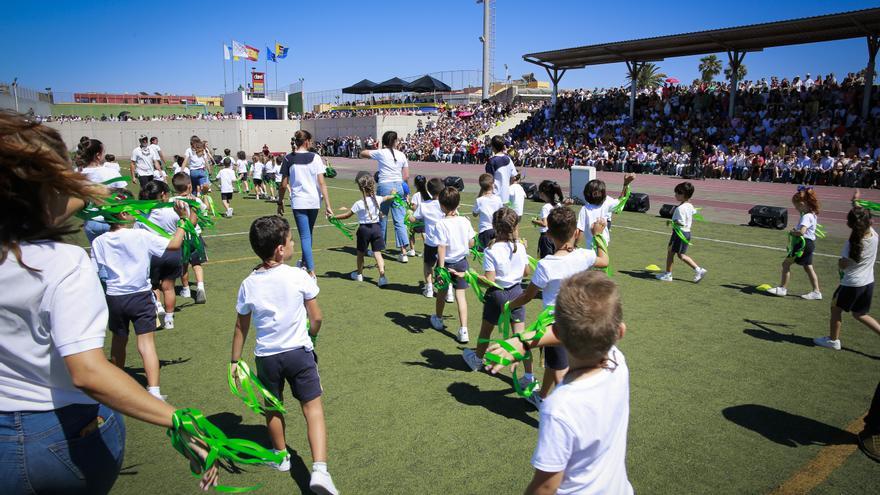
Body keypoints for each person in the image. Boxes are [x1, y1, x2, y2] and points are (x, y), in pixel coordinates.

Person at [0, 110, 217, 494]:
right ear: (46, 188)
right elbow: (86, 372)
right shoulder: (60, 263)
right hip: (55, 433)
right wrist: (176, 421)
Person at [487, 271, 633, 495]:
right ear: (620, 332)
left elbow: (546, 486)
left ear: (558, 332)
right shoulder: (618, 363)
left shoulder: (560, 406)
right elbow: (570, 330)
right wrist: (523, 342)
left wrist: (523, 341)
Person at [230, 216, 338, 495]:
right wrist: (311, 337)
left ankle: (281, 457)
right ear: (280, 249)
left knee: (273, 408)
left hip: (266, 357)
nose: (293, 244)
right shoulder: (298, 275)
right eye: (290, 240)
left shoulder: (248, 283)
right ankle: (320, 471)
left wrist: (234, 360)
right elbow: (317, 317)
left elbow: (241, 325)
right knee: (312, 409)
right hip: (299, 353)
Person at [509, 206, 609, 408]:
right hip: (580, 319)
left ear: (548, 234)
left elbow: (528, 296)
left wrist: (509, 305)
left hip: (556, 326)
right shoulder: (584, 256)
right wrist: (598, 236)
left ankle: (568, 412)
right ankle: (542, 396)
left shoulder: (546, 265)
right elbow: (604, 260)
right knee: (555, 363)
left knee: (561, 372)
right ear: (576, 232)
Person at [462, 207, 536, 389]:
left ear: (495, 226)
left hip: (498, 295)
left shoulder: (491, 250)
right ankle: (529, 375)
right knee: (521, 337)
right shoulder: (519, 247)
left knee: (486, 330)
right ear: (515, 225)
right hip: (518, 293)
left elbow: (490, 280)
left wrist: (472, 277)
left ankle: (478, 360)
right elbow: (526, 272)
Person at [814, 195, 880, 350]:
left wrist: (840, 263)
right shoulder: (873, 234)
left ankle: (833, 340)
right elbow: (861, 216)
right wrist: (855, 201)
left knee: (835, 309)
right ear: (868, 221)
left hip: (851, 284)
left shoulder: (852, 244)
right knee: (860, 314)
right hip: (868, 283)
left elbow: (843, 265)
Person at [278, 130, 334, 279]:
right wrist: (328, 204)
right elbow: (322, 182)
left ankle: (311, 271)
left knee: (305, 236)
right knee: (308, 234)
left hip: (299, 201)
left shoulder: (289, 158)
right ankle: (304, 263)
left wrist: (280, 201)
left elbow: (283, 184)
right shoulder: (315, 157)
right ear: (307, 141)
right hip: (314, 201)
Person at [429, 186, 476, 343]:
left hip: (447, 263)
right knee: (460, 296)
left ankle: (439, 319)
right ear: (458, 204)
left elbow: (441, 246)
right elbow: (471, 243)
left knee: (441, 293)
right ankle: (464, 330)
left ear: (442, 205)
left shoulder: (441, 224)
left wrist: (441, 268)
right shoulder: (464, 221)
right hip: (462, 263)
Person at [330, 174, 393, 286]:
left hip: (364, 230)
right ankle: (382, 276)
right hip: (377, 228)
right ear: (372, 186)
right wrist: (393, 194)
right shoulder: (378, 199)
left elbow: (347, 215)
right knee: (377, 253)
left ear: (360, 188)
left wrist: (334, 217)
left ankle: (359, 274)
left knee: (360, 254)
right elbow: (387, 197)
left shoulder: (359, 203)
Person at [360, 131, 413, 262]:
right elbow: (406, 177)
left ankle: (378, 248)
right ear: (395, 141)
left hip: (385, 187)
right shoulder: (402, 155)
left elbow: (362, 153)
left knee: (381, 217)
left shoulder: (381, 152)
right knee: (399, 221)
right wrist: (407, 193)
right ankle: (404, 253)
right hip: (399, 187)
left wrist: (372, 148)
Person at [138, 181, 183, 330]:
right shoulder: (173, 211)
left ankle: (158, 306)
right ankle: (169, 319)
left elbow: (137, 232)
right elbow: (184, 223)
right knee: (169, 287)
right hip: (173, 252)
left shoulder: (143, 213)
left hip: (153, 253)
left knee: (154, 285)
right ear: (163, 195)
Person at [766, 187, 822, 298]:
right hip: (810, 244)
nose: (796, 208)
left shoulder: (806, 216)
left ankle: (783, 288)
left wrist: (793, 232)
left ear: (802, 204)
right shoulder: (813, 214)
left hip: (803, 245)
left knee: (786, 264)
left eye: (796, 206)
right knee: (808, 267)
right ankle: (816, 292)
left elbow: (802, 232)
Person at [655, 182, 708, 283]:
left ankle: (668, 275)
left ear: (685, 194)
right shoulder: (689, 205)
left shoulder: (680, 208)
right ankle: (699, 270)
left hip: (679, 234)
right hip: (687, 233)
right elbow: (694, 212)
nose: (675, 194)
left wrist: (672, 221)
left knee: (670, 253)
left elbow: (680, 223)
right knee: (681, 255)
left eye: (678, 193)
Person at [171, 173, 209, 304]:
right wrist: (203, 195)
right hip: (195, 236)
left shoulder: (172, 201)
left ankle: (186, 288)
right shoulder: (196, 200)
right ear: (189, 185)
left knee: (184, 265)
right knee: (197, 264)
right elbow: (206, 210)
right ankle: (200, 287)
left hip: (180, 237)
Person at [78, 138, 124, 243]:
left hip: (90, 222)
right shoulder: (112, 172)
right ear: (98, 155)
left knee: (97, 253)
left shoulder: (77, 173)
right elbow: (124, 196)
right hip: (111, 220)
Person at [576, 175, 634, 250]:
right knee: (602, 260)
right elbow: (620, 202)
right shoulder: (604, 204)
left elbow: (580, 230)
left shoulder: (585, 209)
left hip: (592, 246)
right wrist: (626, 184)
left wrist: (574, 244)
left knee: (597, 261)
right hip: (602, 243)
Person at [411, 177, 446, 298]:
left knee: (427, 265)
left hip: (431, 242)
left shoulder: (424, 205)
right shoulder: (445, 204)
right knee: (445, 266)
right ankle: (449, 292)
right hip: (445, 242)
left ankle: (430, 288)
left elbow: (414, 218)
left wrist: (408, 215)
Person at [532, 180, 564, 259]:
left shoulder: (545, 207)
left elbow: (544, 224)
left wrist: (534, 221)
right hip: (556, 236)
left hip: (546, 237)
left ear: (542, 193)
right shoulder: (558, 205)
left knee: (545, 260)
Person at [472, 173, 503, 249]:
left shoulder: (479, 200)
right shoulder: (498, 199)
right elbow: (501, 213)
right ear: (492, 185)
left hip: (485, 231)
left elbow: (474, 214)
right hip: (496, 230)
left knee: (486, 254)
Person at [486, 135, 518, 204]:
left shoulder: (491, 161)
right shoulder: (508, 159)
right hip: (507, 198)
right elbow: (513, 178)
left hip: (494, 198)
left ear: (493, 147)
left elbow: (489, 182)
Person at [408, 174, 430, 255]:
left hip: (417, 217)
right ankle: (426, 250)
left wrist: (409, 204)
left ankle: (412, 250)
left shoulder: (416, 195)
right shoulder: (429, 194)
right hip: (426, 217)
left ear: (415, 184)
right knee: (424, 233)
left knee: (411, 232)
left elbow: (414, 207)